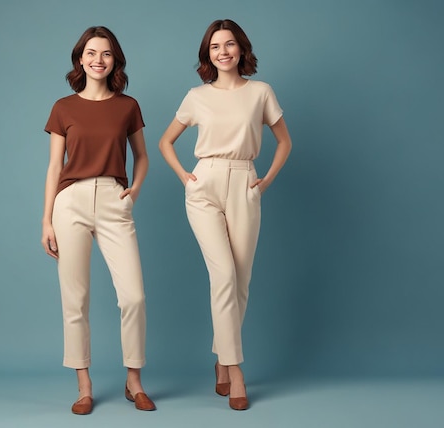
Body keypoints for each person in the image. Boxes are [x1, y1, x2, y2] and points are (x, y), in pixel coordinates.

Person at [158, 19, 292, 410]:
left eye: (229, 44)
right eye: (215, 46)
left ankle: (220, 356)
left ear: (241, 49)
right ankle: (235, 370)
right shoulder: (196, 96)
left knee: (241, 280)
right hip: (205, 186)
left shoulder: (261, 93)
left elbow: (284, 141)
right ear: (208, 55)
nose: (223, 52)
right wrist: (185, 176)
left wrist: (264, 180)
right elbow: (166, 141)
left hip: (245, 181)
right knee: (223, 276)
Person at [41, 26, 155, 415]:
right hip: (69, 202)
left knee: (134, 296)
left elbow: (142, 156)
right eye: (91, 53)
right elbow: (55, 166)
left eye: (105, 54)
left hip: (112, 199)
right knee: (76, 298)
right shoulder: (63, 107)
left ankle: (133, 381)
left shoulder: (127, 106)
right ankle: (84, 385)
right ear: (80, 59)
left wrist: (135, 189)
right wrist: (46, 221)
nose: (98, 60)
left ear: (114, 60)